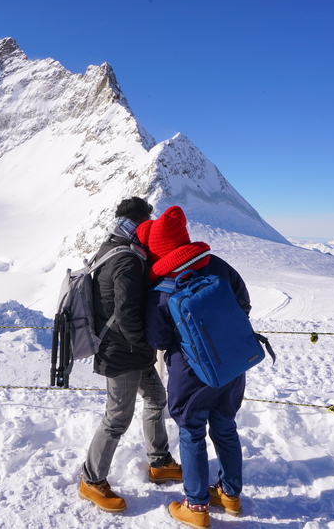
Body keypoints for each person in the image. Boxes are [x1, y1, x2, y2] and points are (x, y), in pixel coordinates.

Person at [137, 205, 250, 528]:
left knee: (192, 432)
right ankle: (230, 495)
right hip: (231, 362)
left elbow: (158, 339)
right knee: (225, 427)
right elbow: (243, 303)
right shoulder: (218, 265)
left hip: (190, 373)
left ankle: (197, 506)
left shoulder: (162, 289)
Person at [78, 196, 182, 513]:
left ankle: (159, 462)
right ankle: (91, 480)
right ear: (139, 223)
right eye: (146, 224)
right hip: (123, 353)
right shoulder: (128, 258)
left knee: (156, 398)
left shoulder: (111, 248)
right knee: (117, 419)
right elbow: (126, 313)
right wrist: (148, 341)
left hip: (129, 350)